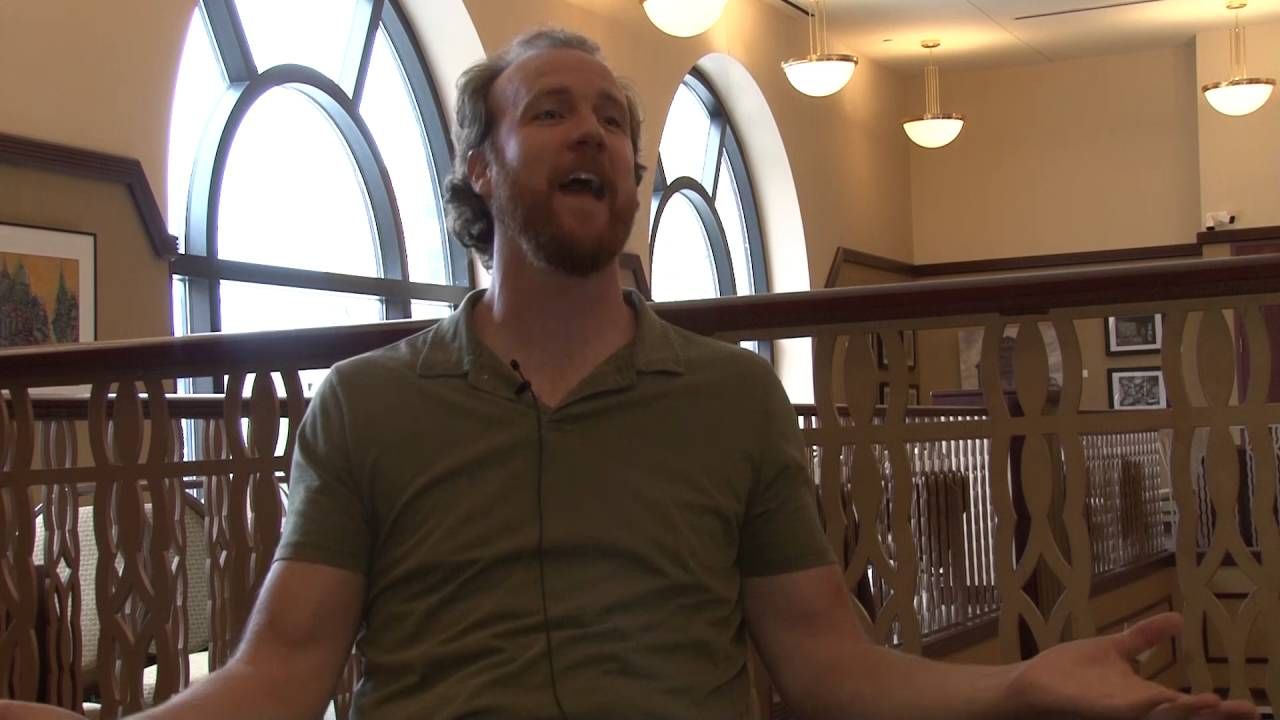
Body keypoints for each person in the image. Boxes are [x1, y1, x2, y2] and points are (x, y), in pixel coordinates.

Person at [0, 28, 1260, 720]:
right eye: (552, 110)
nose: (594, 132)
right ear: (479, 168)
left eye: (613, 120)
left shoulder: (728, 401)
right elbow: (278, 677)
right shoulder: (365, 409)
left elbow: (828, 665)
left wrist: (1016, 689)